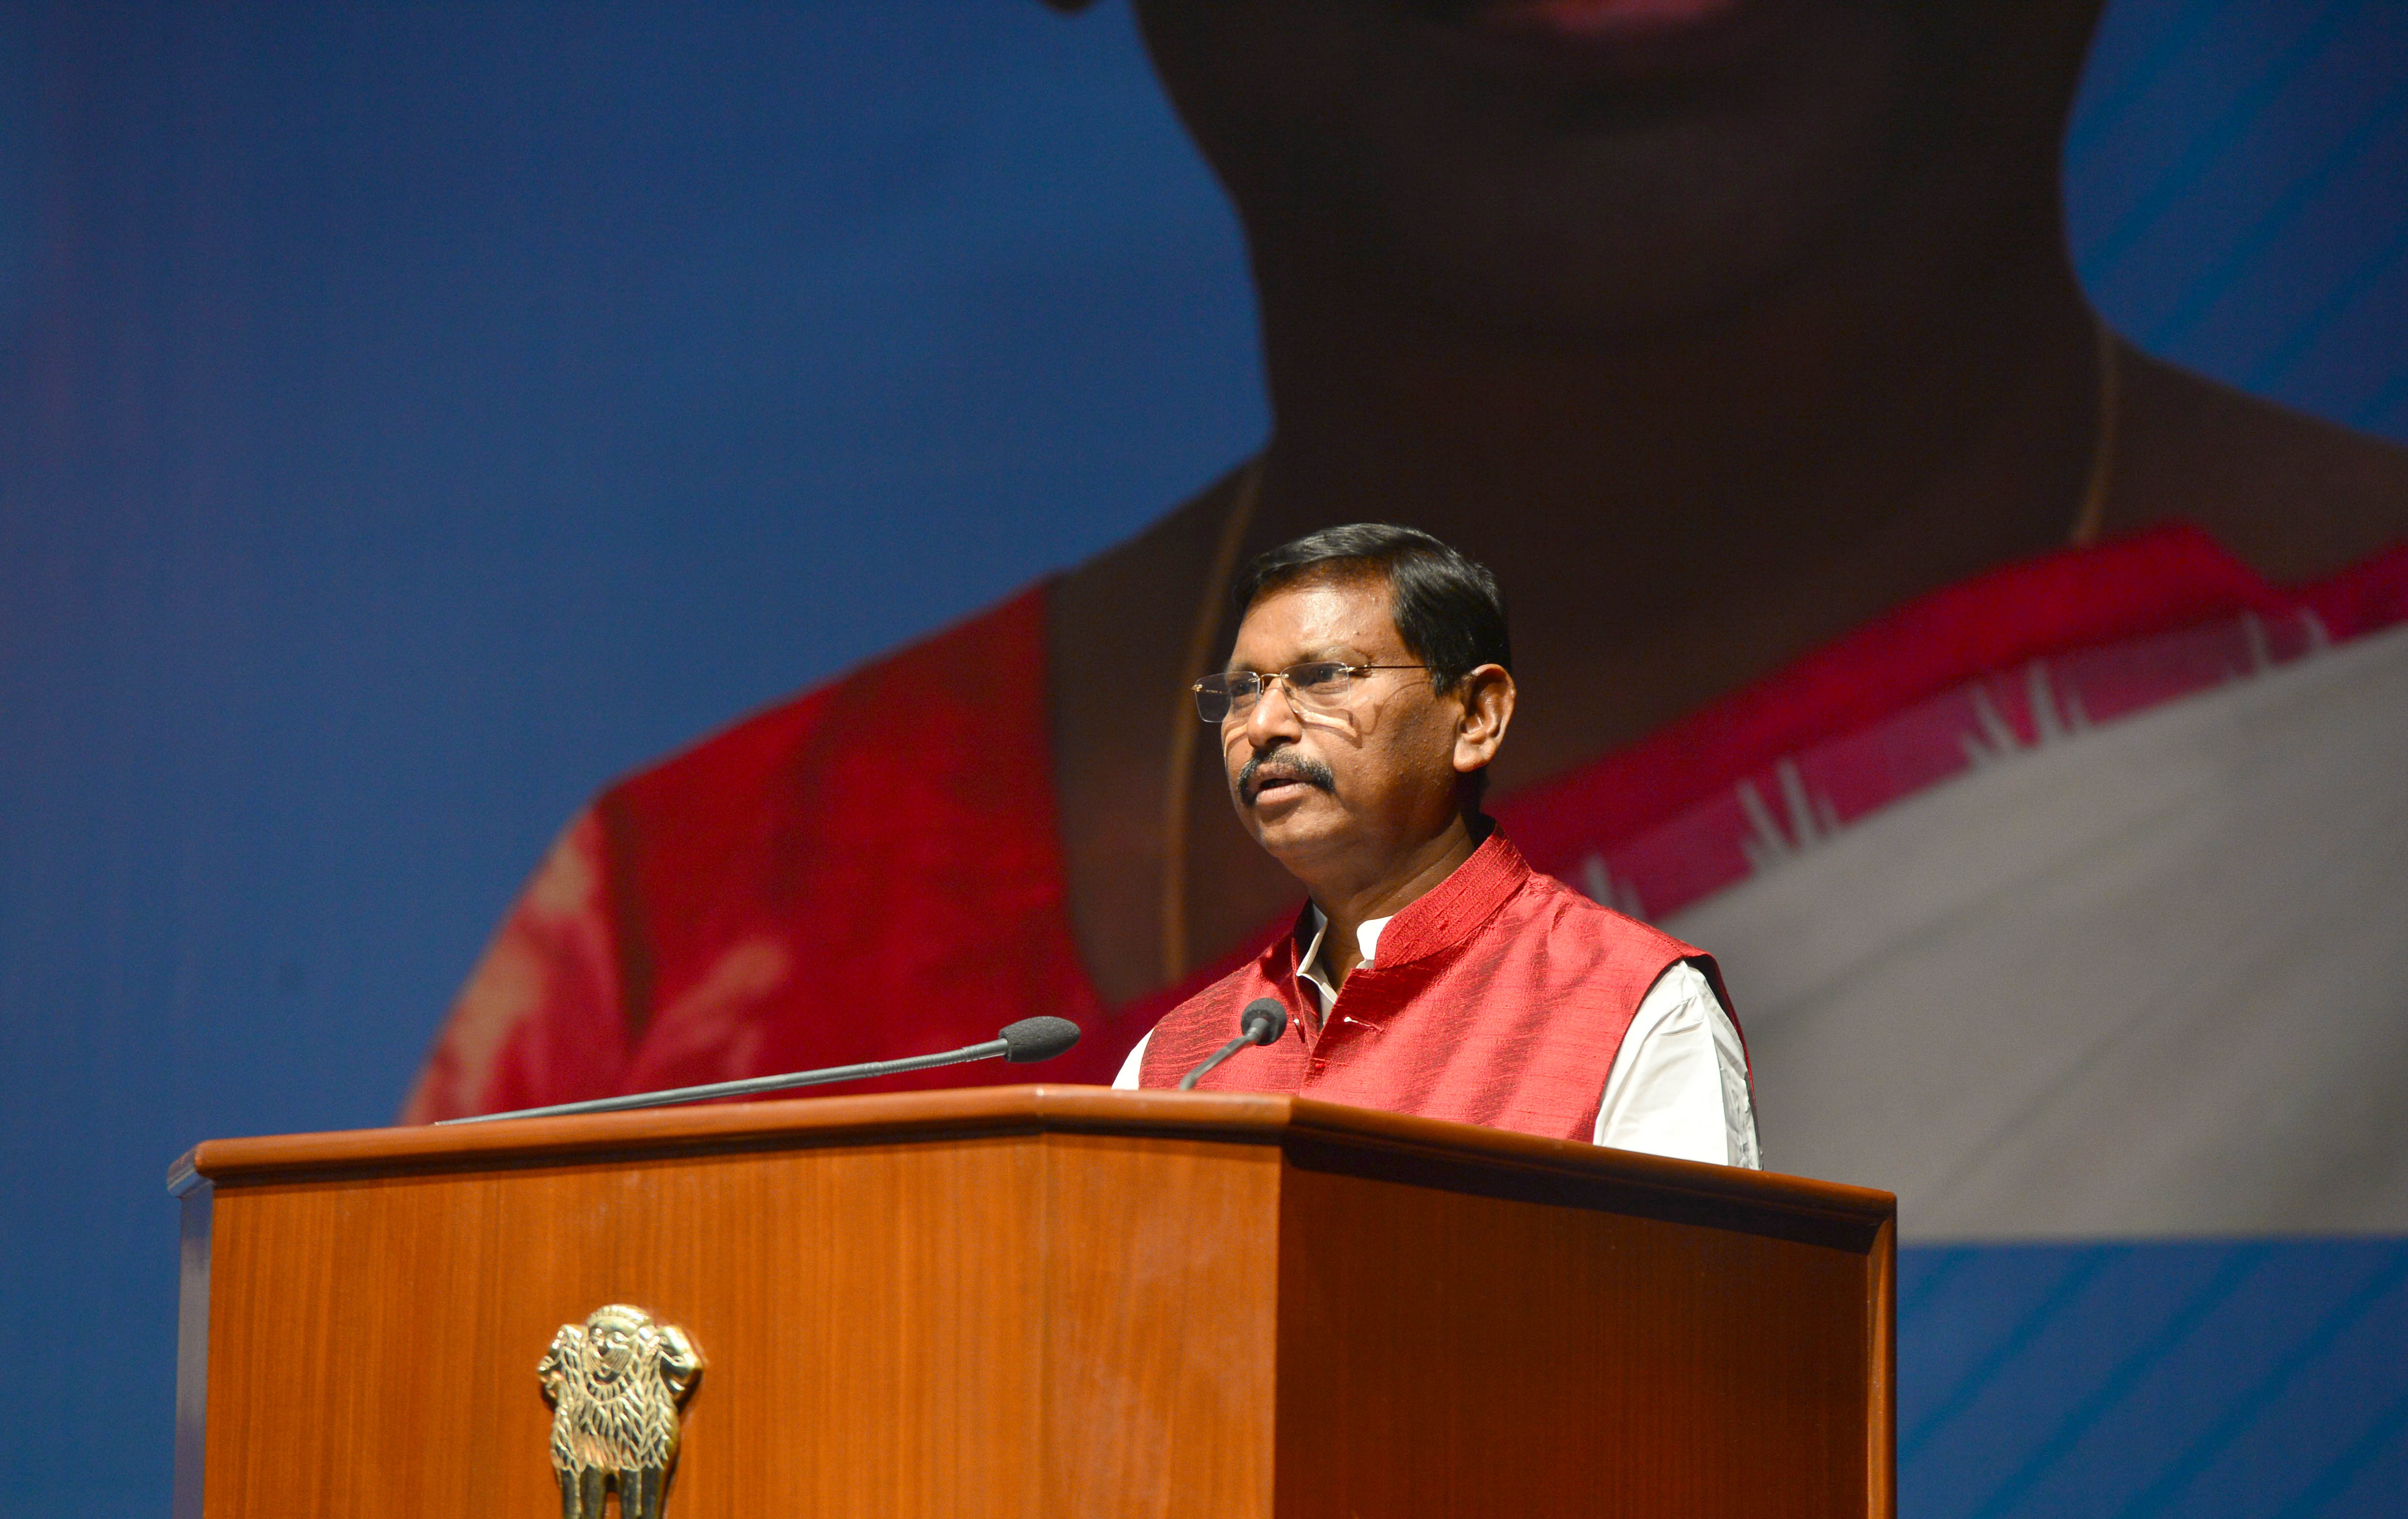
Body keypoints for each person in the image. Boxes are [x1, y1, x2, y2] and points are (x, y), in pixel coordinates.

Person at [404, 0, 2408, 1237]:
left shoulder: (1636, 1020)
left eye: (1341, 690)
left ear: (1477, 726)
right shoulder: (746, 976)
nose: (1283, 740)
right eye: (1259, 694)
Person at [1113, 525, 1758, 1166]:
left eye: (1323, 677)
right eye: (1243, 690)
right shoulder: (1175, 1065)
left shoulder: (1632, 1005)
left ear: (1476, 717)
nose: (1262, 725)